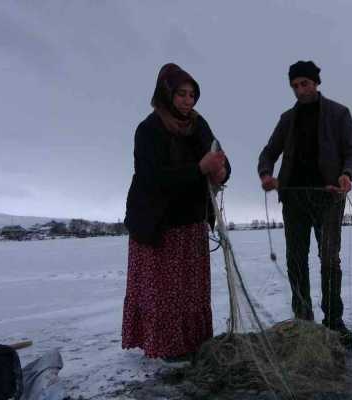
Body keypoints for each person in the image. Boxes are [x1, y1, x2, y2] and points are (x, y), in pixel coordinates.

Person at [122, 63, 230, 362]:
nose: (187, 101)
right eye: (181, 94)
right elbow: (151, 177)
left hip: (191, 220)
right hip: (159, 222)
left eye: (192, 95)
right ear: (166, 94)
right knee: (164, 292)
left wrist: (221, 170)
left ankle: (192, 342)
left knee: (191, 292)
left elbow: (218, 155)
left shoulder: (198, 125)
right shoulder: (149, 130)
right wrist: (199, 169)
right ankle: (166, 346)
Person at [257, 60, 352, 344]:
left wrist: (346, 174)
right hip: (294, 199)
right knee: (295, 259)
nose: (299, 90)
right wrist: (266, 174)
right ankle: (303, 319)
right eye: (294, 86)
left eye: (304, 84)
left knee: (329, 258)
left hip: (329, 198)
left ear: (316, 83)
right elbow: (268, 153)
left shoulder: (339, 114)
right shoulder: (286, 119)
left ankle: (333, 321)